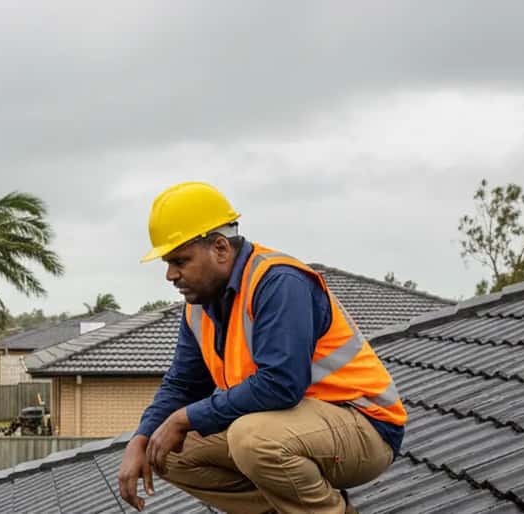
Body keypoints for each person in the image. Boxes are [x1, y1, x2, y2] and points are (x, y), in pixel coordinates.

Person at [116, 182, 405, 514]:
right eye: (168, 263)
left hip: (365, 427)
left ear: (221, 248)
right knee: (165, 449)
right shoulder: (199, 306)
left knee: (252, 439)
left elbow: (281, 385)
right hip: (294, 426)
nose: (170, 275)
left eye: (180, 260)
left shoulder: (279, 282)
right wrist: (141, 437)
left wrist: (184, 418)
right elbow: (182, 383)